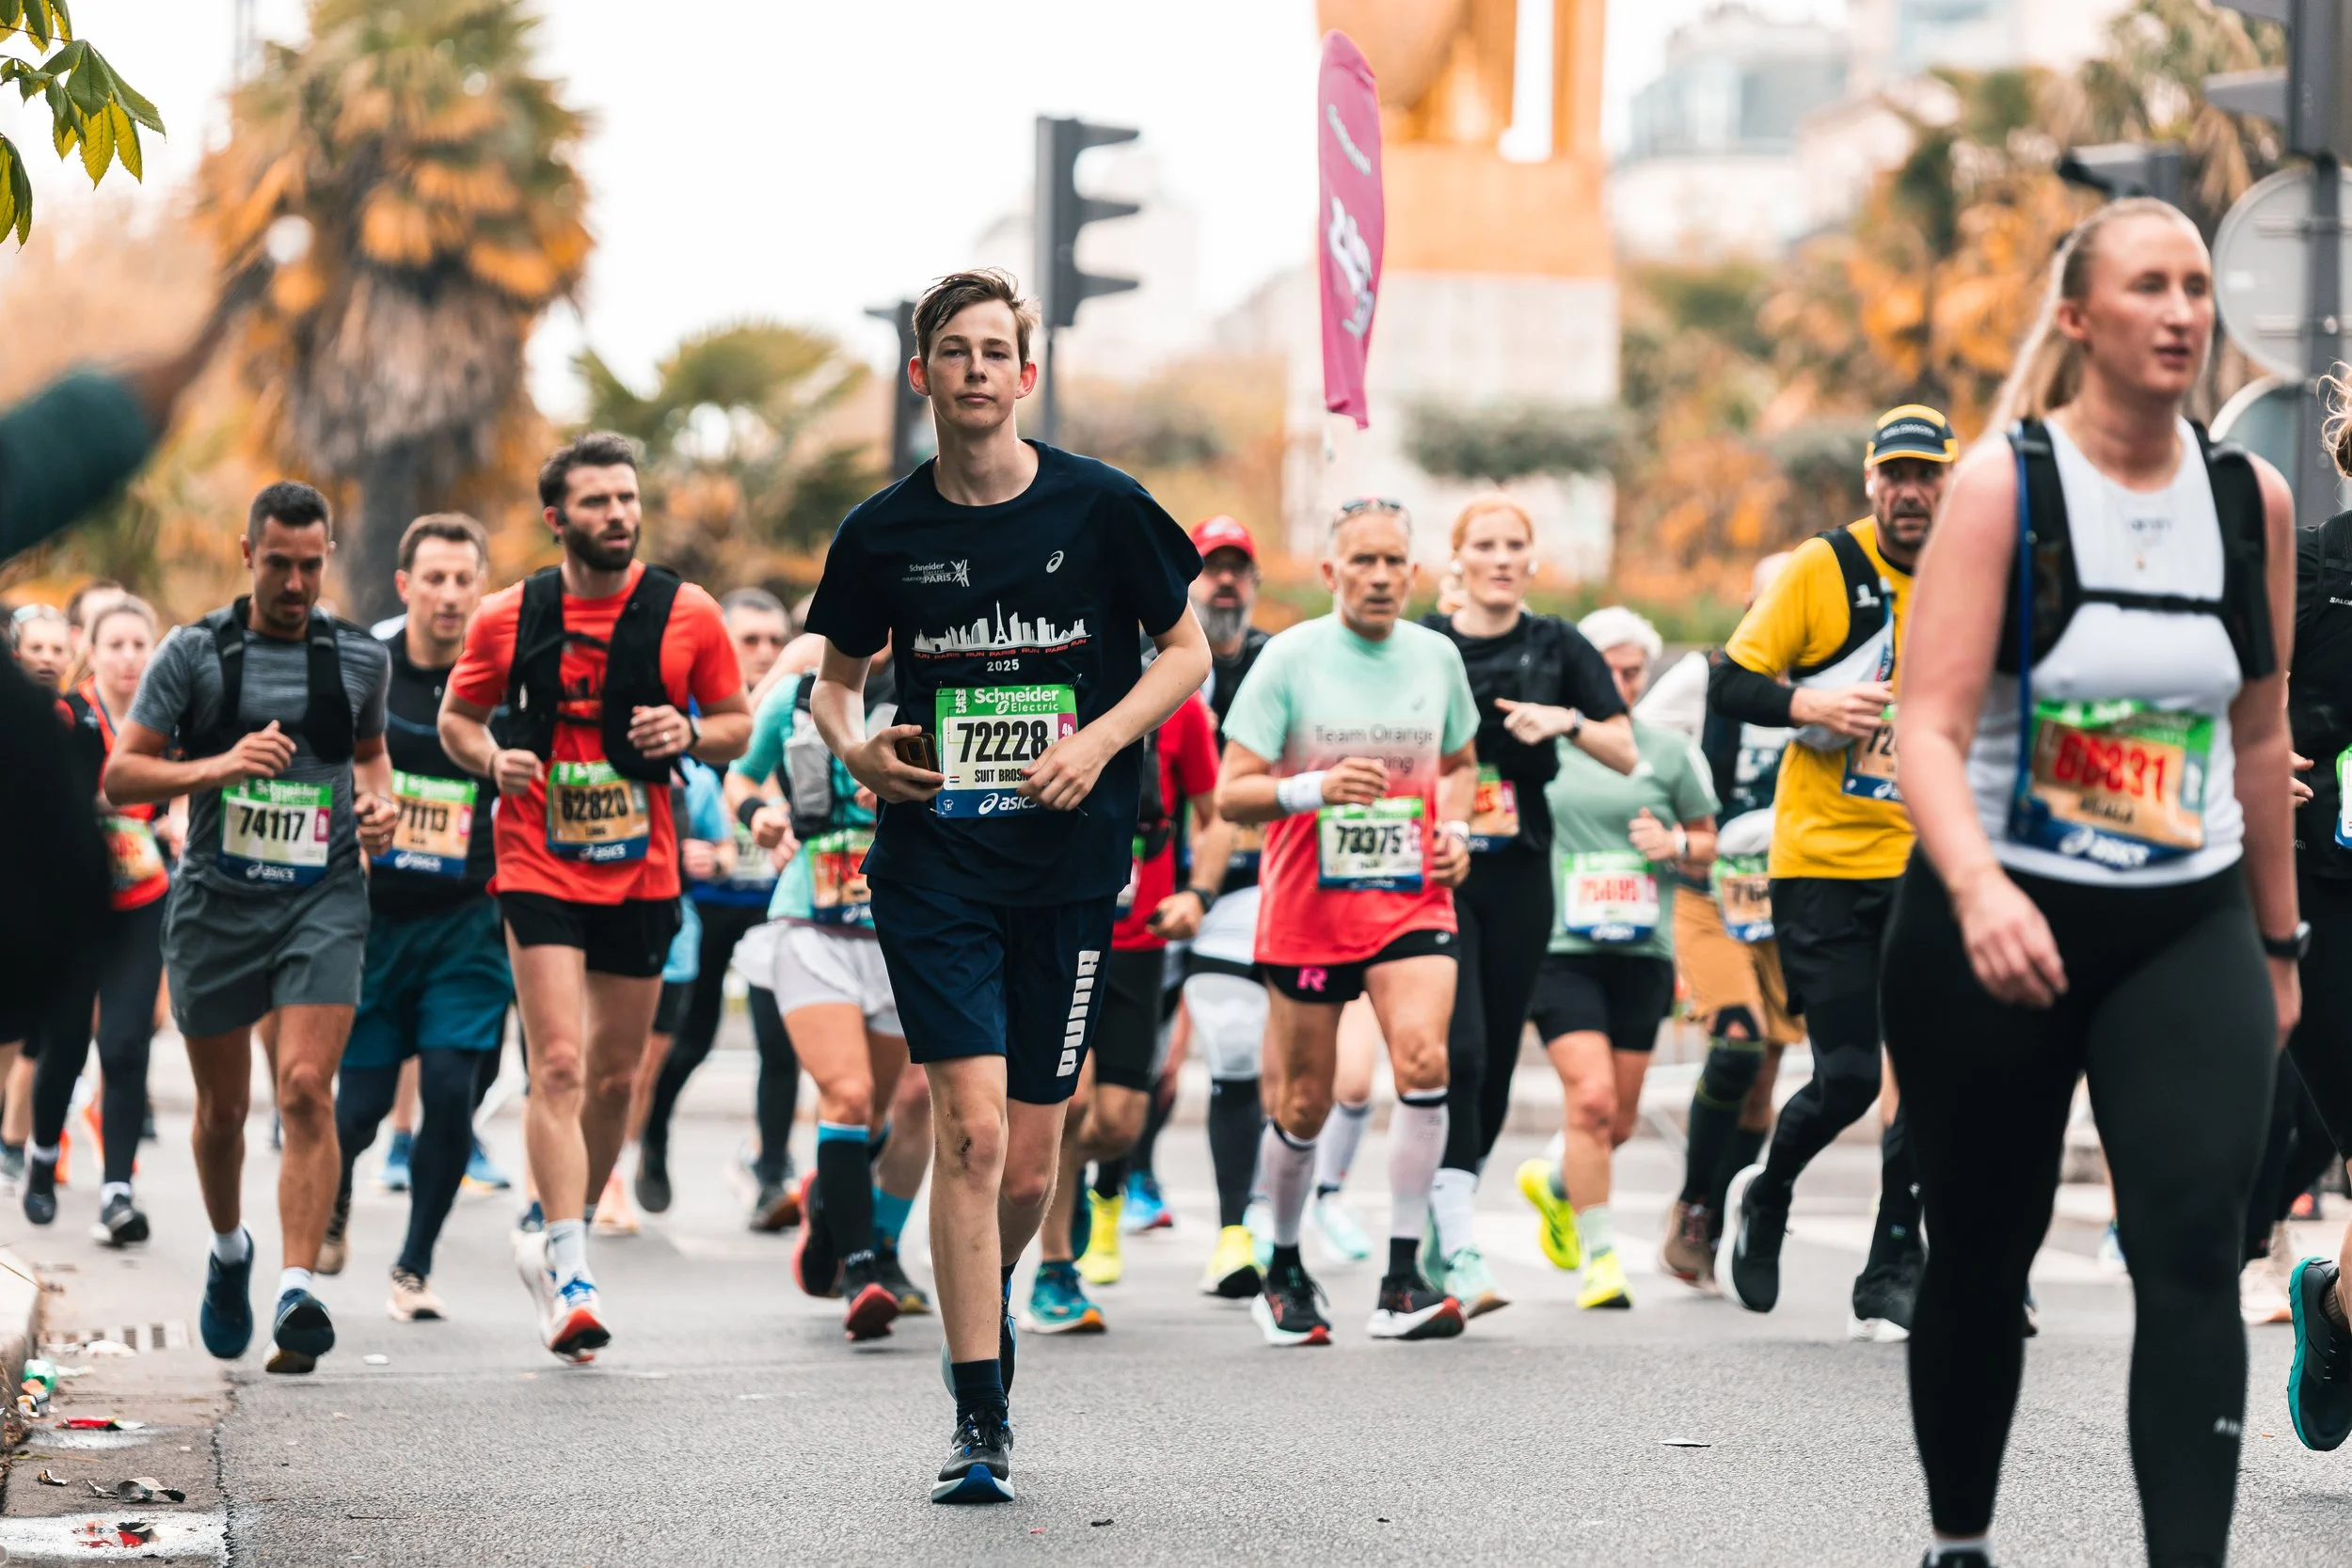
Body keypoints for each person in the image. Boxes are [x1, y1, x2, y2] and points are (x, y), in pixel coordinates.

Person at [1886, 198, 2295, 1568]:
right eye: (2147, 286)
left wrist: (2278, 945)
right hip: (1999, 913)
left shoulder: (2250, 499)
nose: (2182, 310)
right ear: (2078, 320)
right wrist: (1978, 888)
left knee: (2191, 1250)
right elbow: (1926, 727)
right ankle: (1961, 1537)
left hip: (2186, 920)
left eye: (2196, 285)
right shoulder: (2010, 486)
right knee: (1984, 1254)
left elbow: (2256, 731)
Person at [800, 268, 1207, 1503]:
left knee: (1034, 1164)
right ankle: (980, 1410)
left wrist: (1098, 740)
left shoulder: (1103, 508)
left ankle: (992, 1305)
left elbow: (1186, 651)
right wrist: (859, 746)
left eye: (996, 352)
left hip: (1072, 867)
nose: (975, 369)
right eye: (953, 351)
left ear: (1025, 375)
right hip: (935, 866)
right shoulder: (881, 532)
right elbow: (831, 681)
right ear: (920, 373)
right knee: (969, 1131)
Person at [439, 433, 751, 1363]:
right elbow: (458, 719)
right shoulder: (509, 614)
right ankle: (571, 1266)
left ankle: (556, 1217)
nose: (617, 513)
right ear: (556, 516)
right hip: (536, 856)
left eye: (627, 497)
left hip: (642, 866)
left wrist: (688, 729)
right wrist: (494, 758)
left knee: (617, 1079)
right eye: (596, 501)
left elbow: (738, 724)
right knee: (560, 1065)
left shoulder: (685, 612)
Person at [105, 481, 398, 1374]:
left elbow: (371, 758)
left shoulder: (357, 658)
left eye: (313, 565)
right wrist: (222, 764)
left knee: (308, 1088)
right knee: (224, 1111)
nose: (298, 582)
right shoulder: (193, 653)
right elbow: (122, 777)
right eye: (280, 563)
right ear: (247, 554)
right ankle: (232, 1252)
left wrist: (380, 805)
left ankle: (296, 1288)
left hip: (324, 900)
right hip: (217, 906)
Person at [1711, 403, 1957, 1338]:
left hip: (1925, 861)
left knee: (1929, 1069)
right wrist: (1808, 698)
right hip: (1817, 860)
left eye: (1924, 475)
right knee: (1849, 1076)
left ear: (1947, 479)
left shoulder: (1972, 571)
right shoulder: (1826, 568)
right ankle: (1767, 1190)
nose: (1908, 492)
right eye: (1893, 475)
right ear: (1869, 480)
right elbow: (1730, 680)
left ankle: (1893, 1261)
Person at [1216, 497, 1479, 1349]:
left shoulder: (1437, 657)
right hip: (1307, 907)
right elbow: (1231, 790)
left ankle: (1404, 1276)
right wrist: (1312, 789)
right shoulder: (1290, 659)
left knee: (1426, 1058)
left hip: (1410, 894)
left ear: (1414, 571)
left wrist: (1457, 829)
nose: (1379, 577)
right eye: (1362, 562)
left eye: (1393, 562)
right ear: (1331, 573)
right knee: (1303, 1100)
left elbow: (1464, 759)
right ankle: (1285, 1264)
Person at [1418, 496, 1636, 1316]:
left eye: (1516, 545)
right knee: (1461, 1053)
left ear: (1532, 561)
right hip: (1441, 869)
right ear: (1459, 559)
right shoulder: (1427, 645)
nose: (1502, 557)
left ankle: (1449, 1221)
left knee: (1499, 1065)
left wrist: (1569, 720)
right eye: (1485, 544)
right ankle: (1456, 1239)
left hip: (1521, 869)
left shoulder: (1559, 645)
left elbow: (1624, 747)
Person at [320, 515, 511, 1323]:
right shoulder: (366, 666)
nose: (448, 594)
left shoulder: (505, 675)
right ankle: (331, 1197)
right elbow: (322, 761)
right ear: (405, 586)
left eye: (463, 578)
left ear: (480, 585)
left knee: (450, 1089)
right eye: (432, 578)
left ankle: (414, 1264)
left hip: (469, 919)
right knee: (358, 1108)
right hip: (377, 917)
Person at [728, 642, 934, 1337]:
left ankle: (837, 1209)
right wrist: (758, 812)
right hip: (810, 921)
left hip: (897, 925)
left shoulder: (931, 680)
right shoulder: (795, 695)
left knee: (887, 1107)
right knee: (844, 1095)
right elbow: (742, 775)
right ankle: (859, 1267)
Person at [1516, 609, 1718, 1310]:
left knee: (1619, 1120)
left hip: (1642, 952)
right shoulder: (1550, 744)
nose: (1625, 682)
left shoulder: (1668, 752)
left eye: (1636, 670)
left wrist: (1677, 847)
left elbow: (1709, 840)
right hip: (1560, 950)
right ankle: (1603, 1258)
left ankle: (1556, 1178)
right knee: (1592, 1098)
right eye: (1611, 669)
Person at [1027, 691, 1225, 1329]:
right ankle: (1055, 1269)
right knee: (1069, 1102)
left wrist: (1198, 892)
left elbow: (1213, 812)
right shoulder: (1046, 688)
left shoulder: (1177, 706)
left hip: (1140, 942)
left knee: (1117, 1124)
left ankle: (1070, 1180)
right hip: (1057, 927)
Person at [1660, 553, 1802, 1289]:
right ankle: (1694, 1202)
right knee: (1738, 1044)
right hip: (1710, 892)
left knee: (1765, 1073)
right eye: (1766, 603)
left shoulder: (1826, 688)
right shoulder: (1703, 678)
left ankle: (1724, 1206)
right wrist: (1681, 827)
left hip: (1789, 899)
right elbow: (1641, 752)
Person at [636, 586, 803, 1218]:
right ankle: (652, 1131)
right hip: (701, 901)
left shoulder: (801, 708)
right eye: (748, 641)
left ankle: (771, 1173)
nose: (764, 653)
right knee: (690, 1037)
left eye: (774, 640)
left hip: (771, 895)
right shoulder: (695, 714)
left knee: (778, 1037)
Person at [26, 595, 178, 1243]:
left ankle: (118, 1190)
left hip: (142, 901)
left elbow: (191, 789)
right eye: (114, 644)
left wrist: (178, 819)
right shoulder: (70, 716)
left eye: (138, 644)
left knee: (124, 1043)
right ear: (92, 650)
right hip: (76, 904)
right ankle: (38, 1156)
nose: (127, 657)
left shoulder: (168, 720)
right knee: (64, 1045)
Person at [1178, 515, 1285, 1297]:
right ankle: (1109, 1198)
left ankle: (1233, 1232)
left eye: (1237, 569)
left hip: (1241, 888)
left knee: (1236, 1051)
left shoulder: (1277, 665)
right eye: (1211, 567)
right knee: (1127, 1083)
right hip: (1139, 887)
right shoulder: (1152, 663)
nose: (1225, 582)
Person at [2280, 379, 2352, 1450]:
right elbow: (2216, 693)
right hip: (2331, 904)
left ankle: (2333, 1305)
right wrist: (2250, 760)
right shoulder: (2308, 572)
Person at [13, 604, 73, 691]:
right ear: (16, 653)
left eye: (58, 650)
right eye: (36, 648)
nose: (47, 658)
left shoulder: (78, 704)